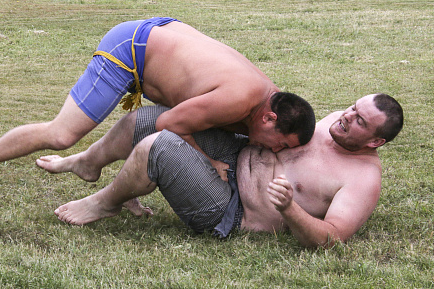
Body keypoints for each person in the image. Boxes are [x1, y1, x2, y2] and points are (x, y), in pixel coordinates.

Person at [0, 17, 315, 220]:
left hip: (162, 37)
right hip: (131, 49)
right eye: (280, 145)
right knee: (61, 135)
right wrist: (210, 162)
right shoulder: (238, 100)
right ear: (269, 119)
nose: (275, 151)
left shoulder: (270, 98)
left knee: (156, 128)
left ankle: (105, 179)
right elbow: (168, 126)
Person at [49, 94, 403, 248]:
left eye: (360, 121)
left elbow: (332, 238)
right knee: (155, 118)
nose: (346, 117)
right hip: (235, 153)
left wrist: (289, 208)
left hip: (231, 210)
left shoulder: (363, 180)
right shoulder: (336, 121)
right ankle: (89, 162)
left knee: (160, 146)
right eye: (352, 108)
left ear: (376, 142)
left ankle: (105, 202)